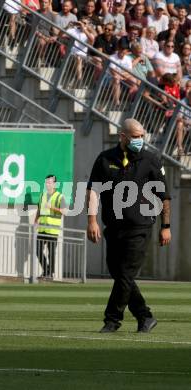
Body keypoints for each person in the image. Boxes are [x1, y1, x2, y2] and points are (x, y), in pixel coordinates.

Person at [86, 118, 171, 333]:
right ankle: (145, 316)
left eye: (142, 136)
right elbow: (93, 191)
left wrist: (166, 225)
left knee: (125, 274)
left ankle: (112, 320)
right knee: (119, 274)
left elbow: (164, 195)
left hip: (140, 227)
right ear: (122, 136)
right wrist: (92, 220)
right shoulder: (105, 159)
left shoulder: (151, 160)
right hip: (113, 228)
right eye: (135, 136)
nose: (140, 140)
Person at [34, 174, 67, 279]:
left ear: (54, 184)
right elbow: (39, 209)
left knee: (51, 253)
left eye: (49, 182)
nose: (47, 184)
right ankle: (47, 270)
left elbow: (64, 212)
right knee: (38, 250)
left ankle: (49, 273)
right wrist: (36, 220)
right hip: (42, 229)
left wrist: (52, 207)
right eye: (46, 182)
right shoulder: (42, 195)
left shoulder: (59, 196)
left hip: (53, 230)